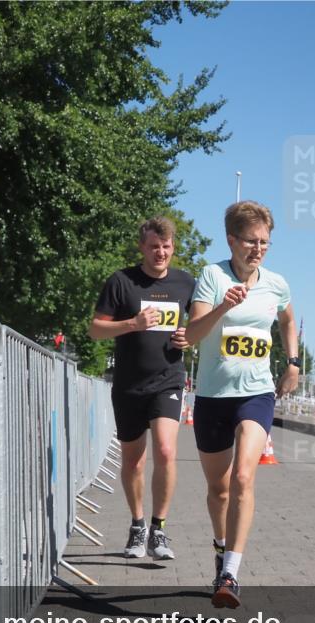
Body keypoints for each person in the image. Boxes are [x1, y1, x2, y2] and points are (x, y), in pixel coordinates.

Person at [185, 201, 300, 608]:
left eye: (265, 242)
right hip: (214, 396)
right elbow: (192, 334)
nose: (259, 249)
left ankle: (231, 573)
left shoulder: (276, 283)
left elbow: (287, 320)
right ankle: (220, 546)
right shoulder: (212, 277)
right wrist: (224, 306)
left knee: (243, 479)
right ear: (232, 240)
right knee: (218, 488)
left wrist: (293, 363)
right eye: (251, 241)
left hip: (256, 392)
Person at [90, 217, 194, 560]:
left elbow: (199, 325)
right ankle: (137, 526)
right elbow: (96, 330)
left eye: (166, 247)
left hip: (168, 380)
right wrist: (132, 324)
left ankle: (159, 529)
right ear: (142, 247)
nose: (160, 253)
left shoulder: (185, 283)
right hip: (129, 384)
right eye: (153, 247)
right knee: (134, 461)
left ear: (173, 247)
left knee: (165, 451)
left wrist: (188, 338)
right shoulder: (122, 282)